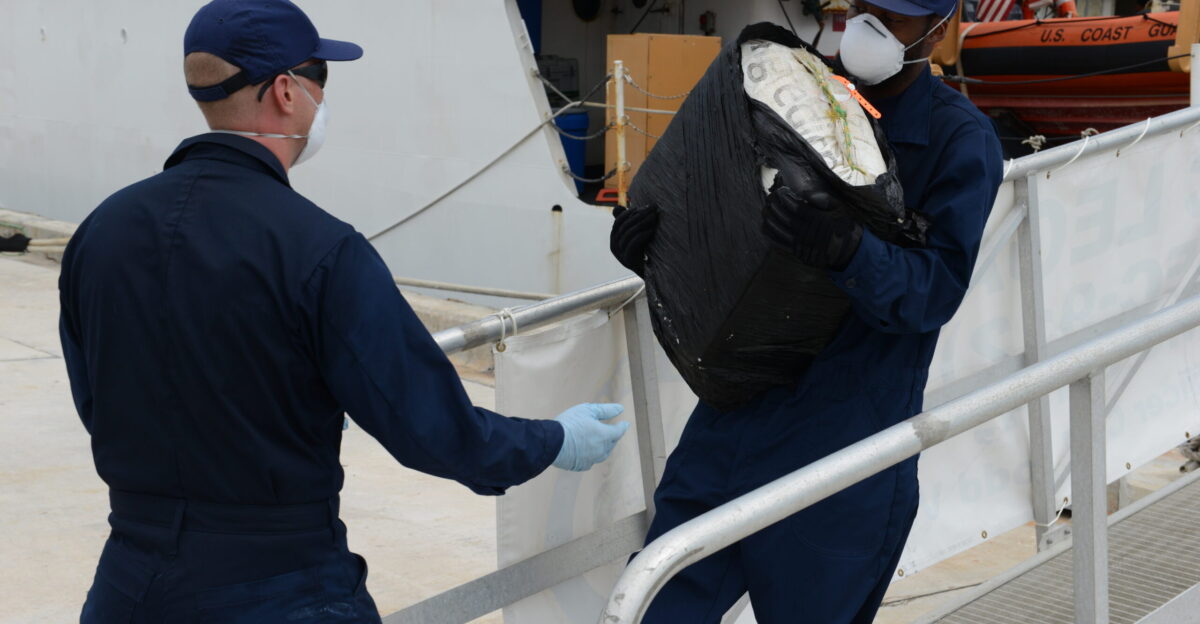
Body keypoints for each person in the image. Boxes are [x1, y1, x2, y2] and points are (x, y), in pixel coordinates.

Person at [58, 2, 629, 622]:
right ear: (285, 92)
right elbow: (435, 433)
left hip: (128, 587)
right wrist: (554, 440)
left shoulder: (99, 232)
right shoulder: (322, 250)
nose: (322, 98)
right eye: (321, 79)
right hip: (280, 583)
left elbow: (99, 401)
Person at [609, 0, 1003, 620]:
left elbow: (934, 293)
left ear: (940, 28)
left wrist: (851, 252)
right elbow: (728, 219)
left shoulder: (959, 141)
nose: (869, 27)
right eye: (866, 6)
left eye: (894, 18)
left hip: (843, 449)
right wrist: (659, 249)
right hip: (732, 421)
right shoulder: (786, 83)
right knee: (651, 604)